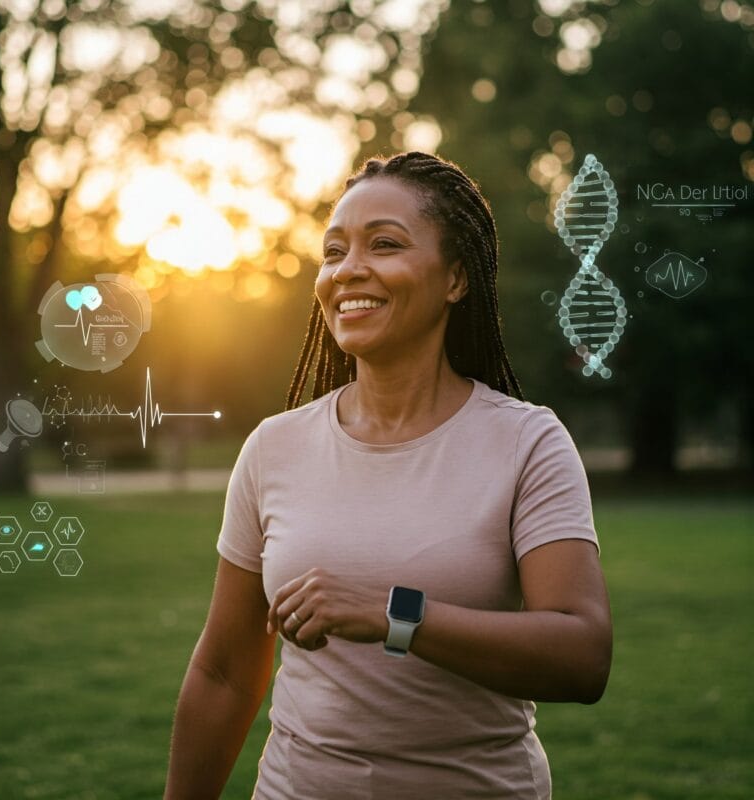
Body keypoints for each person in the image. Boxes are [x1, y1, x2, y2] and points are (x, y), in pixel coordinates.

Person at [163, 151, 613, 800]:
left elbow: (582, 655)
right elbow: (226, 672)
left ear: (456, 278)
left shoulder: (525, 441)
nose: (349, 270)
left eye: (384, 244)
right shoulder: (275, 447)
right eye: (334, 250)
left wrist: (392, 614)